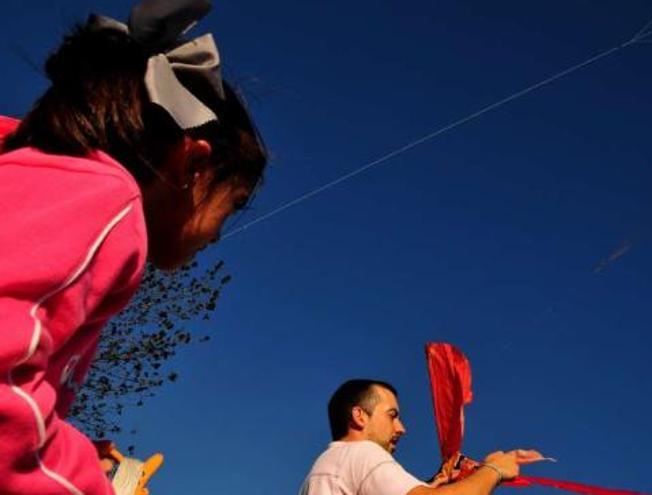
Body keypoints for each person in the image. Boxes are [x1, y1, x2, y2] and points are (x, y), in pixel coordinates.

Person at [0, 0, 267, 493]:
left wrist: (68, 445)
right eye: (230, 207)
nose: (216, 236)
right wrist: (86, 483)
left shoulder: (35, 178)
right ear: (192, 167)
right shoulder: (107, 197)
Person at [300, 379, 534, 495]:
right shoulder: (361, 452)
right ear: (359, 416)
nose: (401, 428)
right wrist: (493, 470)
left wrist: (432, 487)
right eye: (392, 416)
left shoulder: (326, 468)